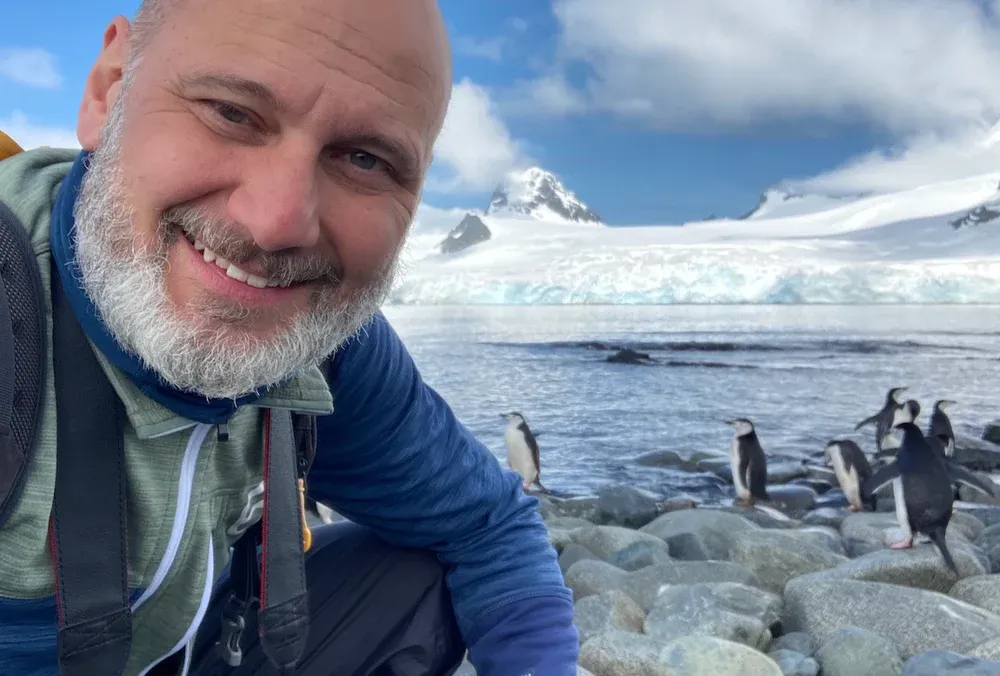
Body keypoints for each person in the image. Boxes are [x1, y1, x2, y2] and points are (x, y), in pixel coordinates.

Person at [0, 0, 579, 674]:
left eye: (363, 158)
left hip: (184, 646)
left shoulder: (319, 347)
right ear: (109, 88)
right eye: (231, 113)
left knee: (417, 577)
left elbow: (487, 524)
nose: (277, 222)